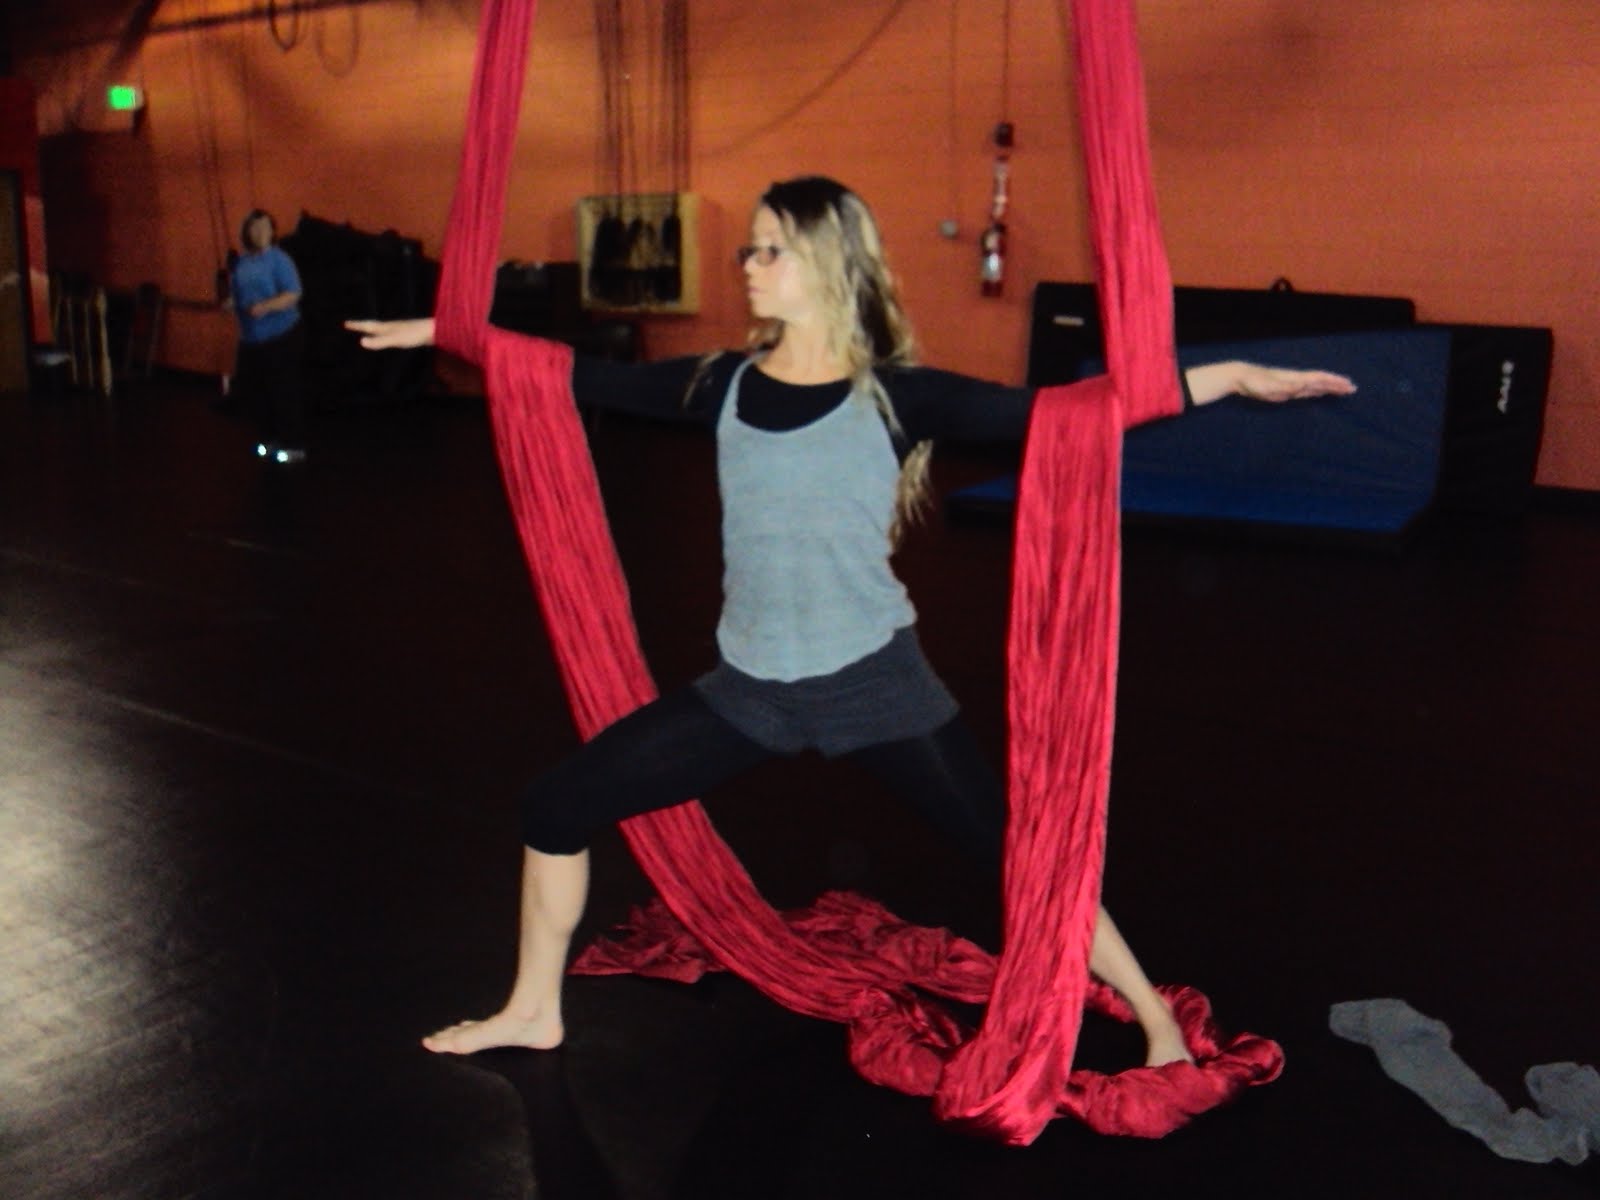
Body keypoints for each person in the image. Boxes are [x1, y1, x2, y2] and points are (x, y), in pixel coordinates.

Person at [348, 176, 1355, 1069]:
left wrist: (1226, 377)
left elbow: (1067, 410)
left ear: (828, 263)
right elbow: (574, 375)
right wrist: (455, 334)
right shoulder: (720, 383)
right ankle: (532, 1010)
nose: (748, 264)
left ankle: (1152, 1015)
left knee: (1020, 858)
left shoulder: (896, 398)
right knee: (555, 806)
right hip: (748, 691)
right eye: (750, 248)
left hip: (876, 684)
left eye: (770, 248)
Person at [227, 209, 308, 465]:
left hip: (282, 335)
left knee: (283, 391)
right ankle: (269, 439)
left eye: (266, 227)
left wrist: (266, 306)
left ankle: (293, 444)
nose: (261, 232)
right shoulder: (242, 263)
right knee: (257, 391)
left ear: (272, 232)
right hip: (252, 338)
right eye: (255, 227)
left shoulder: (280, 260)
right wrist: (231, 303)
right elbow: (238, 295)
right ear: (247, 232)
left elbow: (293, 293)